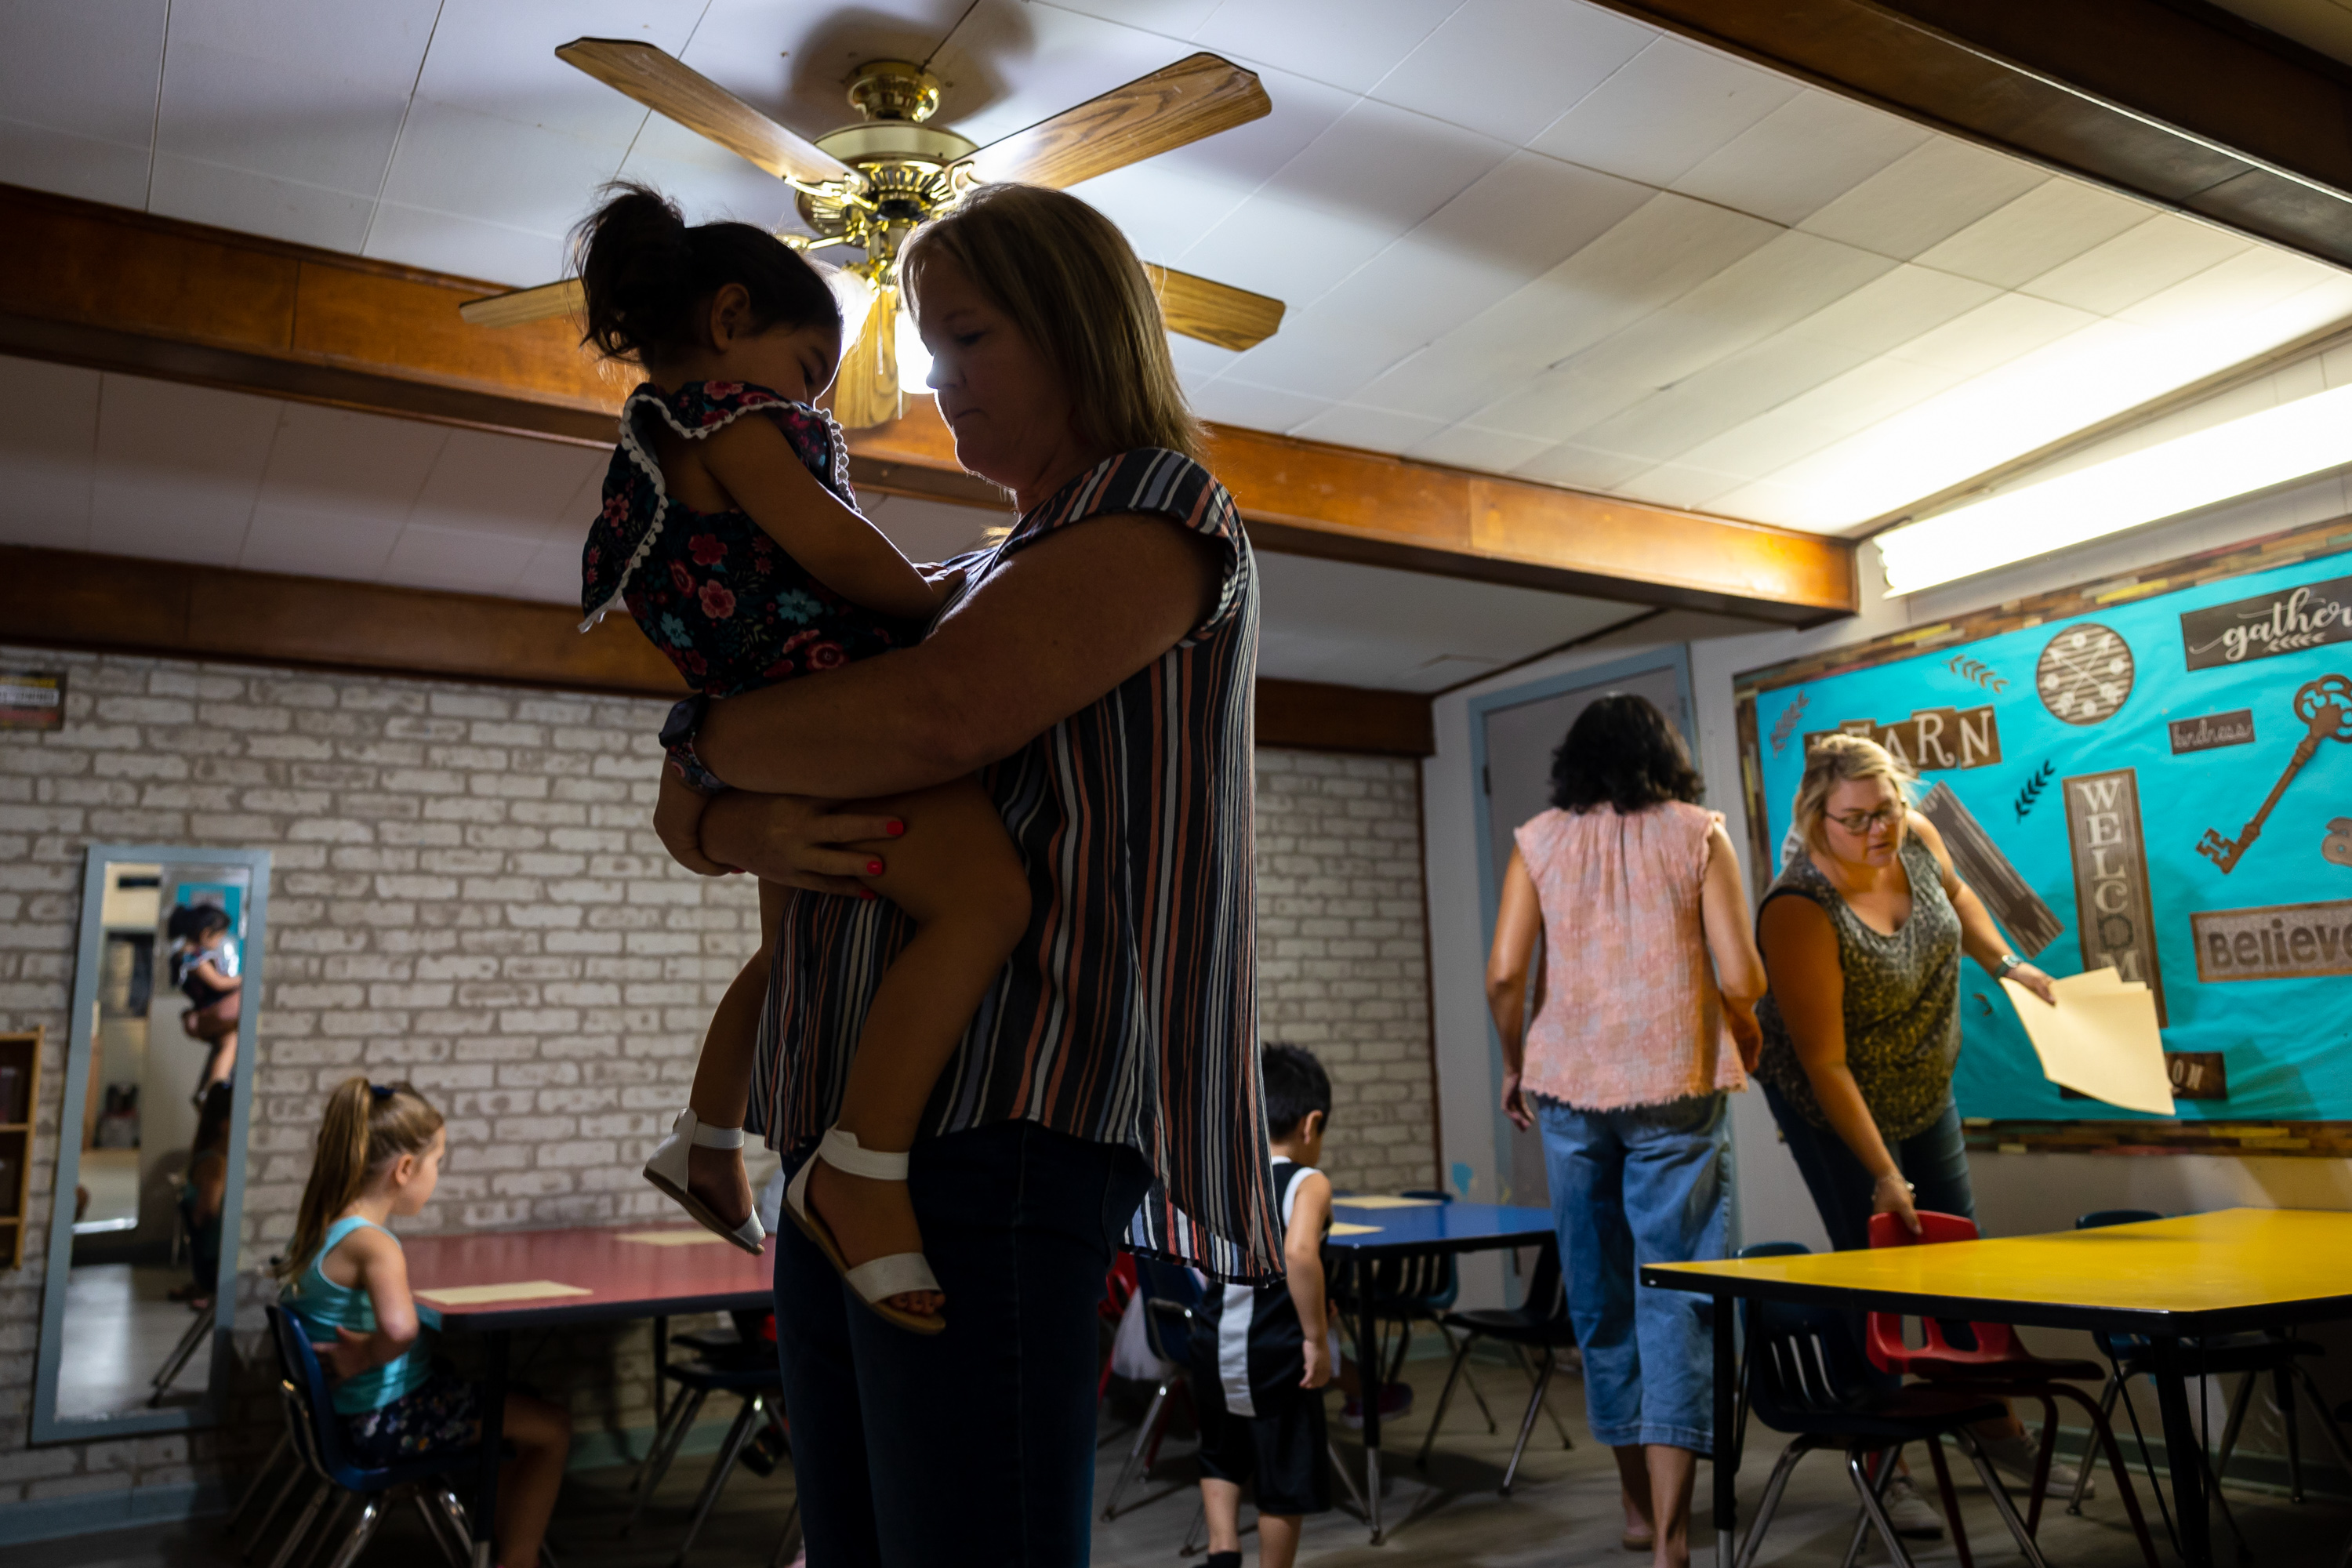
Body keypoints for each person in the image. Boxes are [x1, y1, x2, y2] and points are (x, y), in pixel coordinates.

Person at [655, 181, 1279, 1565]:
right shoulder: (981, 566)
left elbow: (928, 721)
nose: (936, 385)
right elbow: (747, 785)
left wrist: (703, 754)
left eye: (970, 339)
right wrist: (723, 813)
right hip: (850, 1136)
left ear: (1078, 328)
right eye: (931, 353)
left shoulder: (1155, 511)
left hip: (1005, 1110)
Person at [572, 184, 1029, 1333]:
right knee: (985, 903)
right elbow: (832, 542)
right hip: (822, 699)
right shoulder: (736, 419)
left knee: (794, 955)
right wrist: (933, 601)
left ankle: (708, 1137)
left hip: (751, 709)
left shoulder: (654, 440)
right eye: (809, 367)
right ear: (732, 317)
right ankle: (862, 1167)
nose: (813, 397)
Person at [1752, 732, 2071, 1530]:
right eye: (1854, 819)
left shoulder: (1918, 837)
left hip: (1923, 1078)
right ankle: (1880, 1458)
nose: (1876, 832)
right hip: (1835, 1098)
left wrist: (2008, 963)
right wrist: (1884, 1175)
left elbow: (1957, 897)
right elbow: (1825, 1062)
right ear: (1818, 817)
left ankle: (1990, 1421)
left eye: (1886, 810)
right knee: (1878, 1269)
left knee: (1960, 1252)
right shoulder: (1798, 908)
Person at [1484, 694, 1765, 1568]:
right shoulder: (1698, 833)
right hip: (1676, 1080)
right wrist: (1742, 1026)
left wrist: (1514, 1057)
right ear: (1665, 754)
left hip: (1568, 1088)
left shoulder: (1539, 840)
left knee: (1601, 1295)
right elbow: (1742, 972)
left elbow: (1504, 972)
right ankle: (1674, 1539)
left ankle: (1637, 1505)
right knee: (1676, 1296)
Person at [277, 1078, 572, 1568]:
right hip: (389, 1421)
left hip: (352, 1417)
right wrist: (366, 1353)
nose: (437, 1175)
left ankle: (503, 1536)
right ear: (405, 1169)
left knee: (521, 1401)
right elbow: (400, 1329)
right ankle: (518, 1560)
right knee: (554, 1426)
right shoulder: (374, 1244)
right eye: (437, 1163)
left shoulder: (319, 1230)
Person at [1192, 1045, 1336, 1568]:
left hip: (1211, 1341)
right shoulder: (1308, 1181)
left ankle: (1223, 1551)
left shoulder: (1231, 1177)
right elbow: (1300, 1253)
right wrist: (1316, 1339)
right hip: (1275, 1355)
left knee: (1221, 1452)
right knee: (1283, 1475)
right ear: (1310, 1124)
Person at [169, 905, 241, 1106]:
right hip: (210, 1011)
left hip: (211, 1011)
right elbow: (218, 983)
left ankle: (208, 1091)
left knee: (229, 1042)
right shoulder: (192, 959)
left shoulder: (194, 957)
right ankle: (212, 1093)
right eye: (218, 937)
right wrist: (243, 979)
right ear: (205, 933)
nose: (219, 943)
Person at [170, 1082, 232, 1309]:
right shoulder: (215, 1163)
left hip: (206, 1265)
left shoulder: (206, 1157)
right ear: (225, 1125)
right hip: (216, 1266)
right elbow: (207, 1211)